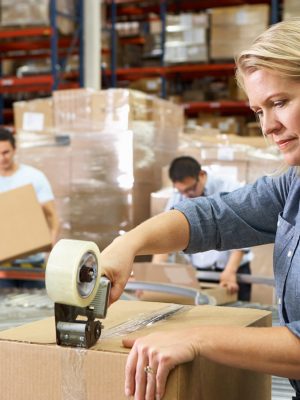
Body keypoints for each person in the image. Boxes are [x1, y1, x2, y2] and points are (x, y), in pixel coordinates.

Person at [99, 19, 300, 400]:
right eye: (258, 111)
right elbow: (215, 216)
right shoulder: (294, 184)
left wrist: (197, 338)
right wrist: (130, 244)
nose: (269, 127)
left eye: (280, 103)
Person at [152, 156, 252, 301]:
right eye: (182, 192)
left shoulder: (228, 189)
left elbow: (242, 233)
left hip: (231, 270)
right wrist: (154, 273)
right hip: (199, 272)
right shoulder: (179, 197)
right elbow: (166, 233)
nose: (187, 195)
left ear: (202, 175)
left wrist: (230, 271)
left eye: (191, 189)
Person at [0, 128, 60, 288]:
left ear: (14, 150)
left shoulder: (34, 177)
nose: (2, 158)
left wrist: (51, 245)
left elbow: (52, 216)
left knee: (36, 309)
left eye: (6, 152)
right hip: (2, 263)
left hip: (33, 262)